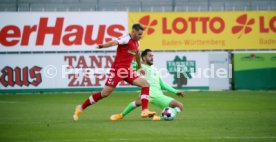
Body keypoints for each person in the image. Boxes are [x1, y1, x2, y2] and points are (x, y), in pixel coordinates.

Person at [73, 24, 156, 121]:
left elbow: (137, 53)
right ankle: (80, 108)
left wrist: (140, 67)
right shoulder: (125, 38)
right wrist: (102, 46)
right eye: (139, 34)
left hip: (127, 70)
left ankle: (144, 110)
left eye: (141, 34)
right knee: (104, 93)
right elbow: (113, 43)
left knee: (145, 84)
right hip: (117, 70)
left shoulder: (137, 42)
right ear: (133, 32)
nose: (140, 36)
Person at [110, 49, 184, 121]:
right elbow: (129, 65)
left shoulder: (155, 69)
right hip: (147, 92)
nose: (152, 58)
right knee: (138, 103)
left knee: (180, 106)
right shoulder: (139, 66)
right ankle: (121, 115)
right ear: (143, 57)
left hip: (159, 95)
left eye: (152, 56)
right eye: (150, 56)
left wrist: (175, 91)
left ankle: (158, 118)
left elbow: (162, 84)